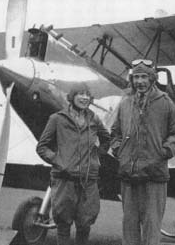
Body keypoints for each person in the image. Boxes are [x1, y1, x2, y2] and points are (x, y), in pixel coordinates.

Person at [111, 59, 175, 245]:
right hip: (129, 174)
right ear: (132, 79)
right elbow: (115, 132)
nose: (140, 81)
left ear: (152, 78)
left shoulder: (166, 103)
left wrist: (164, 151)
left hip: (154, 175)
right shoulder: (125, 103)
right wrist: (119, 150)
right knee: (129, 225)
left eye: (144, 76)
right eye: (136, 77)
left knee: (152, 227)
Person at [36, 82, 111, 245]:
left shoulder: (94, 120)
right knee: (63, 224)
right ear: (72, 97)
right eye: (80, 94)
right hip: (64, 180)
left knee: (85, 224)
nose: (84, 98)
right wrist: (58, 161)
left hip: (88, 180)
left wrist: (95, 157)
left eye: (87, 94)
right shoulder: (57, 119)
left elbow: (106, 140)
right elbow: (42, 147)